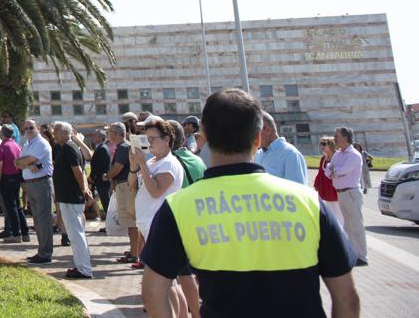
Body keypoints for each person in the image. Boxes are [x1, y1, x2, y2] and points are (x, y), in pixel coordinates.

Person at [140, 89, 360, 318]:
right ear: (257, 137)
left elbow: (153, 294)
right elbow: (347, 297)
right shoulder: (309, 202)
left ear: (202, 134)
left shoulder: (178, 207)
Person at [132, 116, 184, 271]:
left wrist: (141, 164)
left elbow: (155, 191)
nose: (148, 143)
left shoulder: (168, 162)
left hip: (158, 223)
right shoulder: (153, 161)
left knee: (165, 277)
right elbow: (132, 183)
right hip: (149, 222)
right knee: (165, 277)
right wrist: (134, 165)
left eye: (152, 139)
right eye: (146, 139)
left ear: (166, 139)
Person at [51, 122, 93, 279]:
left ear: (65, 132)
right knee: (75, 233)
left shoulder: (69, 147)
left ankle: (84, 269)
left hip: (71, 196)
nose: (54, 133)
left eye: (56, 131)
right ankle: (81, 265)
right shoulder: (65, 147)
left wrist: (83, 190)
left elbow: (78, 171)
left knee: (76, 234)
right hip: (67, 196)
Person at [325, 125, 368, 266]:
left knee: (356, 226)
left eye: (337, 136)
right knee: (347, 226)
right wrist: (333, 171)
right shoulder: (338, 154)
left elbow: (342, 170)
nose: (334, 139)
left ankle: (362, 256)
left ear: (345, 137)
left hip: (351, 193)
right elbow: (328, 170)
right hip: (341, 194)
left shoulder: (354, 155)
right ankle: (353, 254)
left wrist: (333, 171)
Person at [16, 119, 55, 263]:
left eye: (31, 128)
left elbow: (25, 161)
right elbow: (18, 163)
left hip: (42, 183)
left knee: (44, 220)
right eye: (25, 129)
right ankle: (42, 251)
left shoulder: (41, 143)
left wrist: (26, 162)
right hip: (31, 184)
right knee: (37, 220)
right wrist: (25, 163)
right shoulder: (27, 144)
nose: (28, 131)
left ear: (38, 128)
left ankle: (45, 254)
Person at [106, 122, 141, 262]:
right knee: (131, 222)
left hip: (125, 186)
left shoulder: (123, 147)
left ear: (115, 133)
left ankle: (135, 254)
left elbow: (117, 167)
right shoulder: (126, 146)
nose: (108, 135)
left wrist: (107, 175)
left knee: (131, 221)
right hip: (127, 185)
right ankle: (135, 250)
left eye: (109, 132)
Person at [254, 112, 309, 185]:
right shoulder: (258, 154)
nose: (252, 135)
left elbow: (298, 192)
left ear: (267, 129)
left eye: (254, 131)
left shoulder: (291, 154)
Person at [0, 125, 28, 243]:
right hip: (17, 177)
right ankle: (25, 233)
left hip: (6, 177)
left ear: (2, 134)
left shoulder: (1, 147)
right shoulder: (17, 145)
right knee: (18, 205)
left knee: (11, 207)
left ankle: (16, 234)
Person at [314, 136, 343, 226]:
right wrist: (317, 185)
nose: (322, 146)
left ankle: (342, 232)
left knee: (339, 213)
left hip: (335, 189)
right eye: (321, 144)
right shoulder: (323, 159)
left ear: (331, 145)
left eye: (324, 144)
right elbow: (320, 173)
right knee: (329, 212)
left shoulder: (338, 157)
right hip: (325, 189)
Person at [88, 130, 111, 216]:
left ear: (101, 137)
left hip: (102, 180)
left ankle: (110, 225)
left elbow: (99, 166)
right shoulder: (101, 147)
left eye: (95, 135)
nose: (92, 137)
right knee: (105, 202)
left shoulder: (102, 149)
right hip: (100, 180)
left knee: (106, 203)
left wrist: (92, 177)